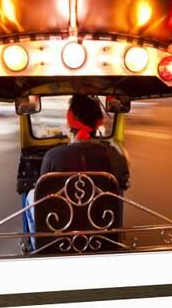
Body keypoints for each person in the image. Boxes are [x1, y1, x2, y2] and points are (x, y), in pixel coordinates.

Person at [24, 94, 130, 249]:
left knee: (32, 194)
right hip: (100, 228)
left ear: (69, 124)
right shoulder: (113, 155)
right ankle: (115, 238)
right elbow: (124, 183)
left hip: (60, 230)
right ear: (97, 124)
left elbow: (44, 198)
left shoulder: (52, 156)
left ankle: (39, 245)